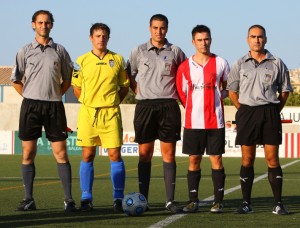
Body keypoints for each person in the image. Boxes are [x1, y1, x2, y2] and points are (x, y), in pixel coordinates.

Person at [10, 10, 76, 212]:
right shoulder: (24, 51)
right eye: (40, 22)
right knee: (28, 152)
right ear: (33, 25)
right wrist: (30, 96)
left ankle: (68, 200)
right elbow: (16, 80)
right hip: (31, 106)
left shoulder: (61, 50)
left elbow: (67, 79)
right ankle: (28, 199)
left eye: (47, 23)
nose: (43, 26)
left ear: (51, 25)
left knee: (61, 153)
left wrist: (54, 95)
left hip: (54, 106)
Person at [227, 24, 293, 215]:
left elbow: (285, 91)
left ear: (265, 39)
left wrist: (273, 110)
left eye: (260, 37)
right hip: (247, 113)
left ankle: (278, 204)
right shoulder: (239, 63)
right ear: (247, 39)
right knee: (247, 159)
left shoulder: (277, 63)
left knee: (272, 159)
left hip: (269, 113)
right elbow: (232, 91)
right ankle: (246, 203)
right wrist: (243, 110)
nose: (257, 40)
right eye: (253, 36)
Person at [127, 14, 186, 213]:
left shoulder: (176, 51)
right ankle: (143, 200)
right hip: (144, 106)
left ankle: (170, 201)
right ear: (149, 28)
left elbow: (185, 75)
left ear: (167, 29)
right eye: (155, 27)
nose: (158, 31)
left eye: (162, 28)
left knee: (168, 154)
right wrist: (140, 91)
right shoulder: (138, 51)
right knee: (145, 154)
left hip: (168, 105)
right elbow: (130, 75)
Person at [72, 23, 129, 212]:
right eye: (97, 36)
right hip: (88, 113)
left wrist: (111, 102)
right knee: (88, 154)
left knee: (115, 155)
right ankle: (86, 198)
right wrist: (90, 102)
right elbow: (77, 88)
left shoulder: (118, 59)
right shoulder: (81, 61)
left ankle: (118, 198)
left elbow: (124, 87)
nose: (101, 39)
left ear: (108, 38)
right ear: (91, 38)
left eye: (104, 36)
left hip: (111, 113)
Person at [176, 25, 229, 213]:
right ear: (193, 42)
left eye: (206, 39)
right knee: (194, 160)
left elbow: (226, 88)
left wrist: (215, 100)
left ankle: (218, 201)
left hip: (215, 121)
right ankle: (193, 200)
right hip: (193, 122)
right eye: (199, 40)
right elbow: (182, 94)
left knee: (216, 160)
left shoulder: (221, 62)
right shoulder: (184, 67)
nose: (203, 43)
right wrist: (194, 106)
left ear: (211, 40)